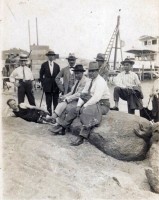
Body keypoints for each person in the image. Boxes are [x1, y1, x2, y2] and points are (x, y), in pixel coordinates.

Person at [51, 61, 110, 146]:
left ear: (97, 71)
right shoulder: (89, 81)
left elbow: (96, 97)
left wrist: (85, 106)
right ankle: (62, 127)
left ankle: (82, 137)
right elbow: (83, 94)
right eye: (90, 71)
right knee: (73, 110)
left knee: (88, 111)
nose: (91, 73)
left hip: (102, 104)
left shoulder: (100, 81)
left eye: (93, 71)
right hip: (91, 101)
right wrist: (79, 106)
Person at [50, 64, 88, 134]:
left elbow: (79, 94)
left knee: (66, 107)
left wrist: (67, 99)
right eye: (75, 73)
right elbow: (72, 92)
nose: (76, 75)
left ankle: (59, 124)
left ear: (82, 73)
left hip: (81, 101)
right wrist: (64, 97)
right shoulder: (78, 80)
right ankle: (58, 123)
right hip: (75, 99)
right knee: (62, 101)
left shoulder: (85, 81)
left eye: (78, 73)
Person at [40, 50, 60, 115]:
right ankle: (49, 114)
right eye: (50, 56)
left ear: (54, 57)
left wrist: (58, 85)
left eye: (52, 56)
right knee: (48, 101)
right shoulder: (44, 65)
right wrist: (43, 83)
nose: (51, 57)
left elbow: (58, 77)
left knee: (55, 101)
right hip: (47, 86)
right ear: (48, 56)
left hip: (55, 86)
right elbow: (41, 75)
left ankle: (55, 114)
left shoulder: (57, 66)